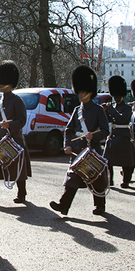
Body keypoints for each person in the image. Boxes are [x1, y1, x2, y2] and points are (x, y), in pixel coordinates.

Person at [50, 66, 110, 216]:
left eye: (83, 92)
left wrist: (93, 136)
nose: (81, 95)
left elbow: (105, 131)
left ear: (90, 93)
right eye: (80, 92)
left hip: (92, 149)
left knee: (97, 179)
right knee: (72, 180)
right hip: (77, 150)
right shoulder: (77, 110)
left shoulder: (98, 110)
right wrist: (67, 145)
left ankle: (100, 206)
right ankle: (63, 206)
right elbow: (68, 130)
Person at [0, 60, 31, 204]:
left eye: (3, 83)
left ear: (10, 84)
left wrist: (9, 126)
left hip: (14, 141)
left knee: (18, 170)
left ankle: (22, 193)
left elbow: (22, 120)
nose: (1, 85)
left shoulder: (17, 101)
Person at [103, 76, 135, 188]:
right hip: (113, 134)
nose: (116, 98)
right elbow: (108, 120)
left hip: (124, 135)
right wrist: (105, 112)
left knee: (126, 161)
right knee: (107, 160)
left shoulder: (127, 108)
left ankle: (126, 180)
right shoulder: (112, 106)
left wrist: (111, 110)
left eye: (118, 96)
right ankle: (110, 180)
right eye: (115, 96)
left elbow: (122, 118)